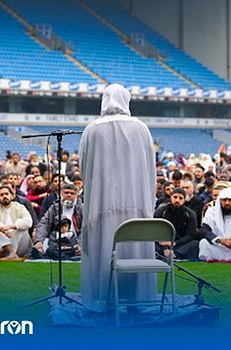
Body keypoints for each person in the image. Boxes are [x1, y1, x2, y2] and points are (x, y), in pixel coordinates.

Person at [79, 84, 158, 312]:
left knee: (104, 252)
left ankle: (106, 302)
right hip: (137, 203)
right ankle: (137, 302)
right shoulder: (142, 128)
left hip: (102, 206)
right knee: (135, 251)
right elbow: (150, 168)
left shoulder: (92, 129)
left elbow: (85, 168)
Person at [33, 184, 82, 259]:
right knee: (45, 245)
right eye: (66, 193)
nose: (69, 195)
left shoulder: (82, 209)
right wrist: (39, 241)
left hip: (75, 242)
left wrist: (80, 244)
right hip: (56, 242)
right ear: (61, 194)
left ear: (77, 195)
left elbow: (86, 229)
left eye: (72, 193)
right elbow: (44, 224)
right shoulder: (55, 207)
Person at [0, 186, 33, 259]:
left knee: (22, 226)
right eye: (2, 195)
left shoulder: (19, 207)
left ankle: (12, 253)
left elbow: (29, 222)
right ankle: (8, 251)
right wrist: (2, 229)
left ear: (12, 196)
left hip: (19, 246)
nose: (4, 196)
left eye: (6, 194)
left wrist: (12, 226)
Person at [153, 188, 199, 260]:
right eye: (175, 197)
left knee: (195, 244)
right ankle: (168, 255)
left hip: (179, 244)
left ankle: (172, 255)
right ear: (171, 198)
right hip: (162, 243)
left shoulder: (190, 214)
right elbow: (156, 231)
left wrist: (174, 243)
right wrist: (165, 248)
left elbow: (191, 235)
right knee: (151, 244)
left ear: (184, 200)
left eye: (180, 198)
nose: (177, 200)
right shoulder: (161, 211)